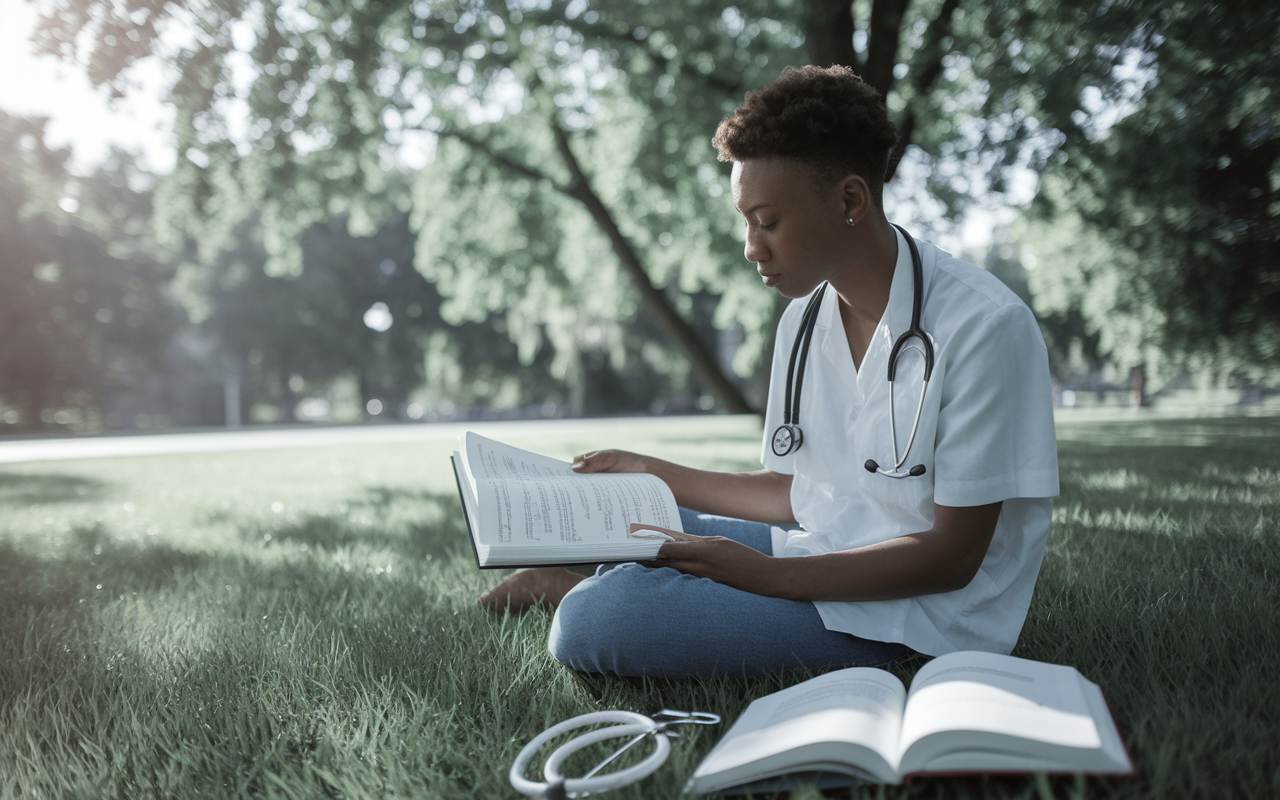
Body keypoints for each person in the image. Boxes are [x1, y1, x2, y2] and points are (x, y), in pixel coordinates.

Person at [479, 65, 1059, 679]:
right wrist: (649, 471)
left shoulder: (985, 325)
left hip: (916, 616)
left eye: (768, 221)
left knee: (595, 622)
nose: (751, 247)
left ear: (850, 200)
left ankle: (581, 590)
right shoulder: (804, 321)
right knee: (632, 517)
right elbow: (795, 491)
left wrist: (771, 578)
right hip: (821, 549)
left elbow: (952, 558)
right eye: (745, 220)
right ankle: (587, 569)